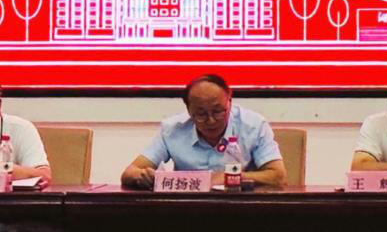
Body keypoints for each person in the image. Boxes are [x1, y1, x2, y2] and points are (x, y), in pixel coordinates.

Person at [121, 74, 286, 189]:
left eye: (218, 111)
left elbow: (278, 176)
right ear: (189, 110)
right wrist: (143, 176)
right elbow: (129, 172)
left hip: (241, 209)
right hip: (188, 210)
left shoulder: (253, 125)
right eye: (201, 114)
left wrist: (232, 177)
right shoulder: (172, 129)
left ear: (229, 101)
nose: (211, 120)